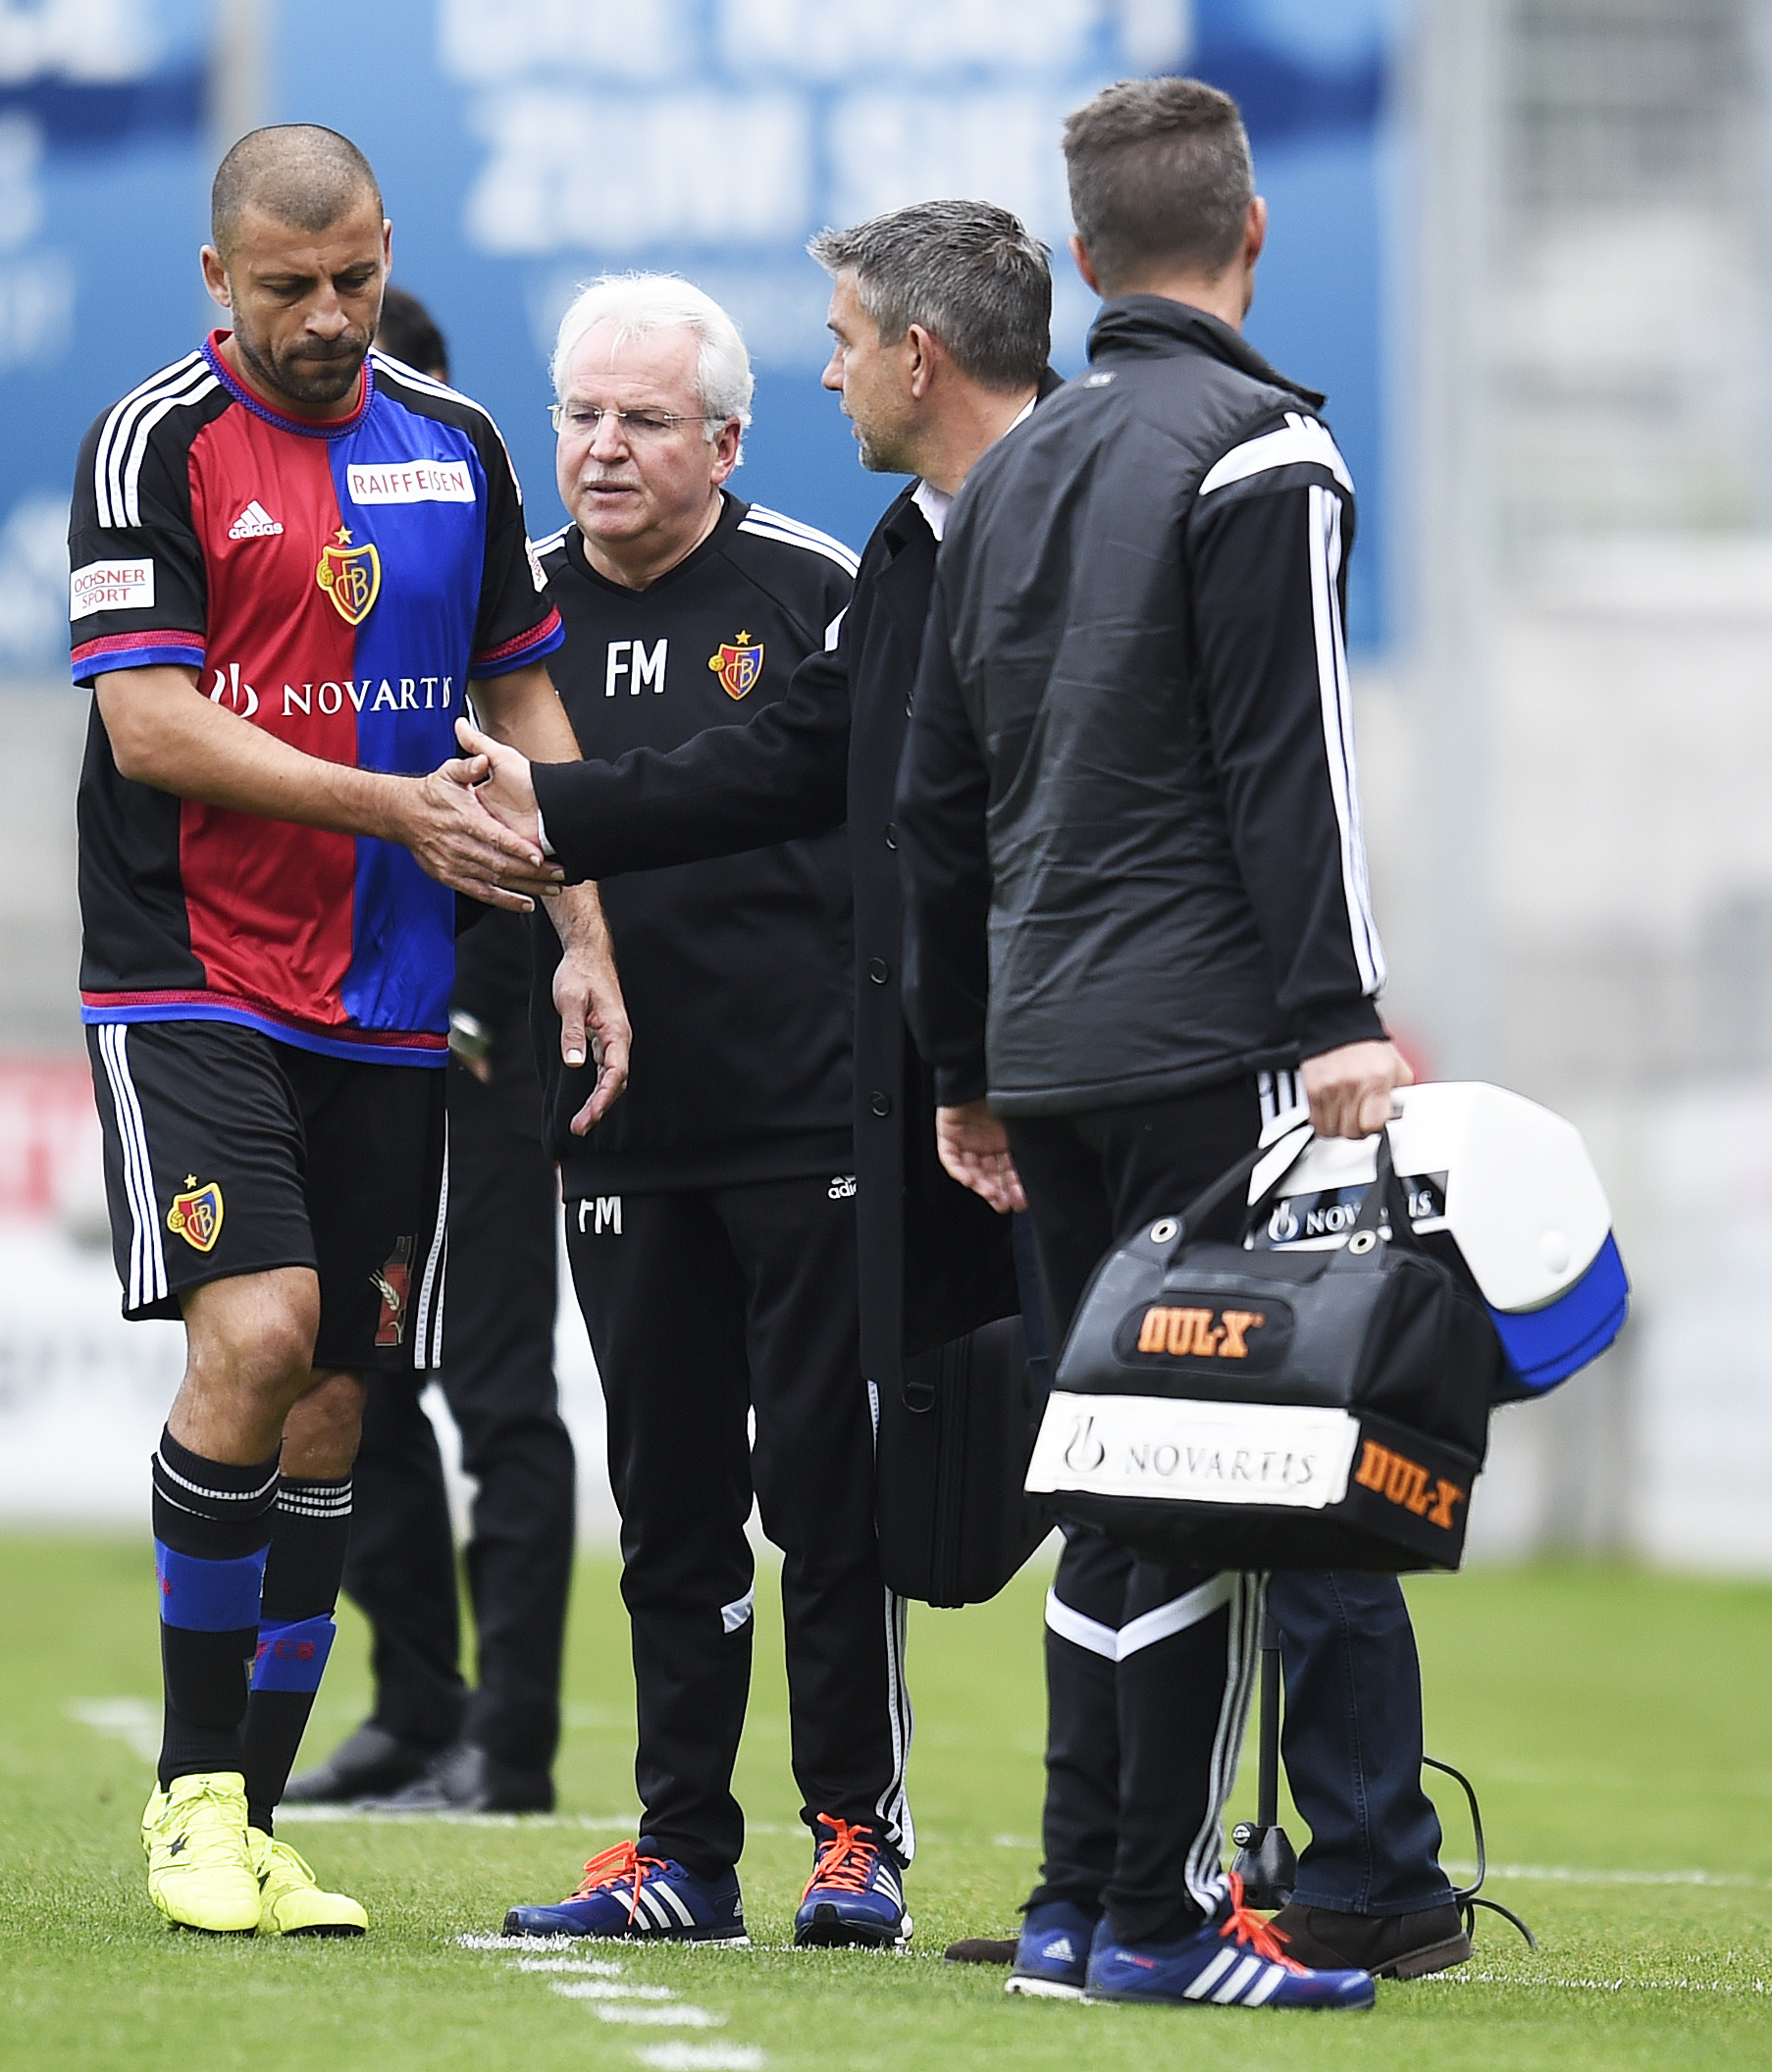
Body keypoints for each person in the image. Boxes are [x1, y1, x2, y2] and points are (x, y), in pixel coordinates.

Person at [448, 197, 1475, 1985]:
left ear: (912, 356)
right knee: (1114, 1472)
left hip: (1165, 1057)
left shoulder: (1145, 484)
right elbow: (855, 778)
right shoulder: (934, 539)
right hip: (1025, 1079)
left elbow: (1270, 765)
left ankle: (1315, 1866)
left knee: (1231, 1461)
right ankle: (1106, 1886)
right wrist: (566, 818)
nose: (825, 365)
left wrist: (1327, 1012)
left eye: (839, 339)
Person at [68, 123, 627, 1938]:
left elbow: (522, 691)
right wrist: (392, 808)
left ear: (386, 252)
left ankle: (259, 1811)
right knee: (258, 1334)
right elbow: (149, 727)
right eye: (289, 285)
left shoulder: (453, 447)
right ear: (216, 278)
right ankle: (189, 1800)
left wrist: (580, 935)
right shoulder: (154, 443)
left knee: (335, 1402)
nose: (328, 315)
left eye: (355, 279)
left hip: (390, 1003)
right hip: (191, 972)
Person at [895, 78, 1399, 2009]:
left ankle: (1076, 1906)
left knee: (1108, 1468)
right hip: (1208, 1047)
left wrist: (964, 1065)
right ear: (1254, 236)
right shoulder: (1265, 454)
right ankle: (1160, 1922)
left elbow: (937, 809)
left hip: (1047, 1050)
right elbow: (1302, 771)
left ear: (1086, 263)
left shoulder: (1008, 472)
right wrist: (1338, 1018)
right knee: (1201, 1471)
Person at [464, 272, 915, 1950]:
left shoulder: (814, 587)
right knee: (664, 1497)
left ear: (723, 436)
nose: (598, 447)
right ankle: (678, 1846)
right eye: (578, 413)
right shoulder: (501, 612)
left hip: (805, 1118)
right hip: (609, 1125)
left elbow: (886, 834)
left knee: (823, 1489)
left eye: (641, 418)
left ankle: (853, 1832)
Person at [286, 285, 576, 1819]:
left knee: (498, 1376)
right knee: (361, 1364)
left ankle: (512, 1744)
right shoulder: (278, 538)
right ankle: (413, 1706)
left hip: (487, 986)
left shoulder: (490, 551)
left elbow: (548, 783)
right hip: (335, 987)